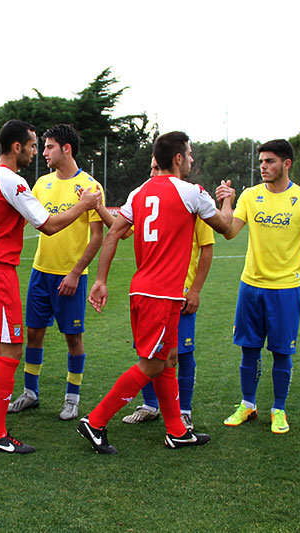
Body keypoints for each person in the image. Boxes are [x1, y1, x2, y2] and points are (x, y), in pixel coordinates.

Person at [0, 119, 101, 454]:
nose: (35, 152)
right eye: (33, 145)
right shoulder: (12, 181)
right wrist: (83, 205)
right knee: (11, 350)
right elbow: (49, 225)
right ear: (16, 147)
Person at [78, 131, 233, 454]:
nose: (191, 160)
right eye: (189, 155)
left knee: (168, 359)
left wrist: (101, 280)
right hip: (161, 296)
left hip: (143, 291)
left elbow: (113, 236)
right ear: (178, 158)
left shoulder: (138, 192)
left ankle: (177, 430)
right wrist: (228, 200)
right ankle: (95, 421)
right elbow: (227, 229)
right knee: (150, 364)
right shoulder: (193, 192)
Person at [8, 124, 104, 420]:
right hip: (40, 272)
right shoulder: (41, 183)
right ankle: (30, 393)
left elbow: (98, 236)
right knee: (34, 333)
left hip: (70, 276)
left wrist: (75, 273)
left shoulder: (91, 186)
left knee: (73, 338)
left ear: (66, 149)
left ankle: (72, 398)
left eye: (49, 147)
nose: (44, 152)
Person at [220, 139, 300, 434]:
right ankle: (248, 404)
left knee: (282, 352)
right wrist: (227, 201)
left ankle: (278, 409)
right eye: (260, 162)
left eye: (269, 161)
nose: (263, 167)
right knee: (249, 348)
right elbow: (230, 231)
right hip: (251, 286)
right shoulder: (250, 195)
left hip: (285, 289)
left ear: (286, 164)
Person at [122, 158, 214, 429]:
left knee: (181, 354)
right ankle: (150, 406)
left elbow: (207, 247)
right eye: (150, 167)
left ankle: (182, 410)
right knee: (148, 352)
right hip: (154, 292)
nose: (152, 173)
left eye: (155, 167)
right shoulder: (149, 198)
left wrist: (195, 290)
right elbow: (121, 231)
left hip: (180, 293)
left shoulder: (192, 198)